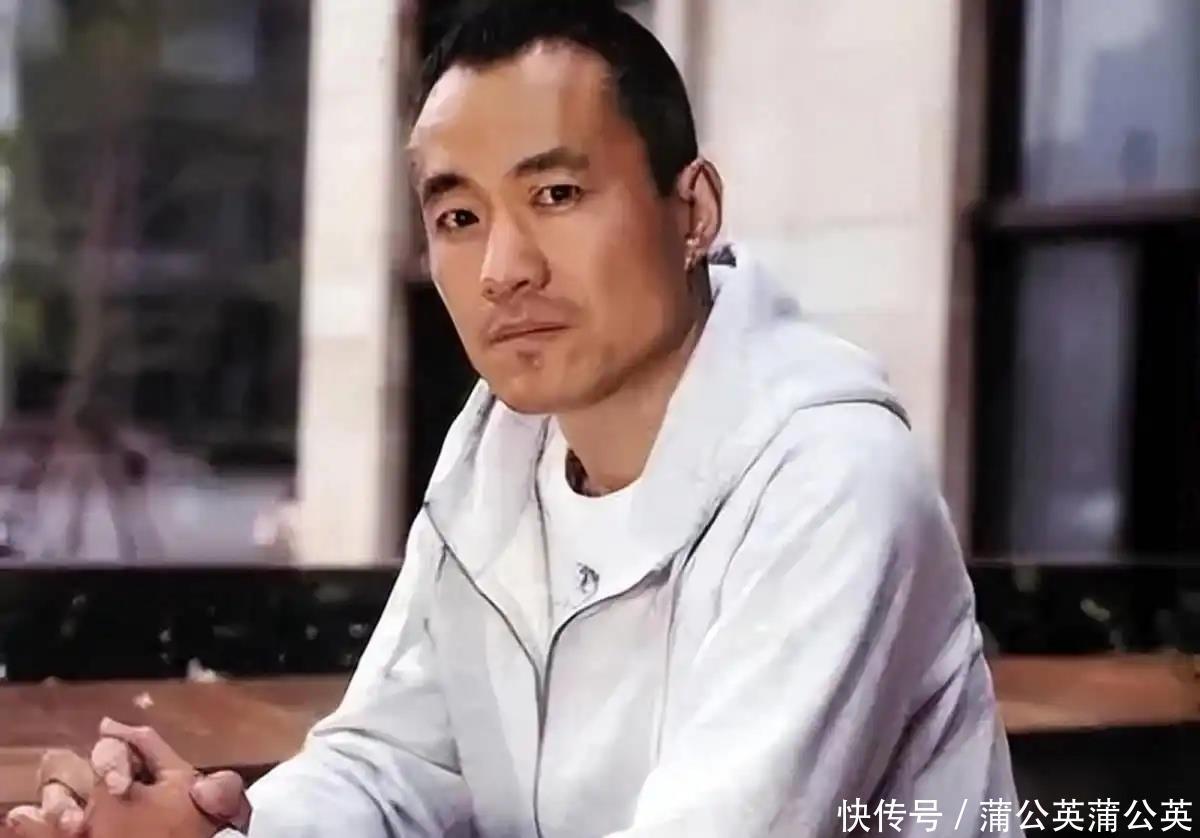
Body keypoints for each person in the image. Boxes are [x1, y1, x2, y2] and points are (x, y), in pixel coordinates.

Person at [5, 1, 1020, 836]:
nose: (503, 269)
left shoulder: (832, 479)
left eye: (558, 193)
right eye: (459, 217)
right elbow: (392, 764)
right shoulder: (498, 447)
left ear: (695, 210)